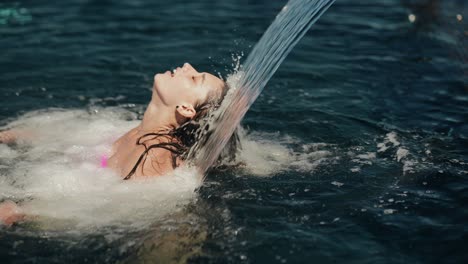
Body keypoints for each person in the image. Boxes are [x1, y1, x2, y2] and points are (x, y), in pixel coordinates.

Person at [0, 62, 238, 226]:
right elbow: (82, 146)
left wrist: (24, 212)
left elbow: (116, 208)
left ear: (186, 108)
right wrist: (13, 136)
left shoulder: (155, 158)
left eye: (195, 78)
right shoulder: (143, 131)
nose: (187, 67)